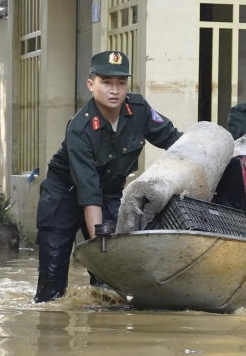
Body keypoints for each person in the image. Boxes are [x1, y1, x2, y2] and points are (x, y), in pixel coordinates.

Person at [33, 50, 182, 303]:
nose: (114, 90)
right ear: (91, 84)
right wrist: (100, 253)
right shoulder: (80, 128)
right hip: (64, 196)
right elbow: (88, 193)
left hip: (108, 194)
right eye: (106, 82)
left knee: (111, 285)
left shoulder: (139, 109)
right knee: (52, 289)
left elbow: (174, 140)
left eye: (121, 83)